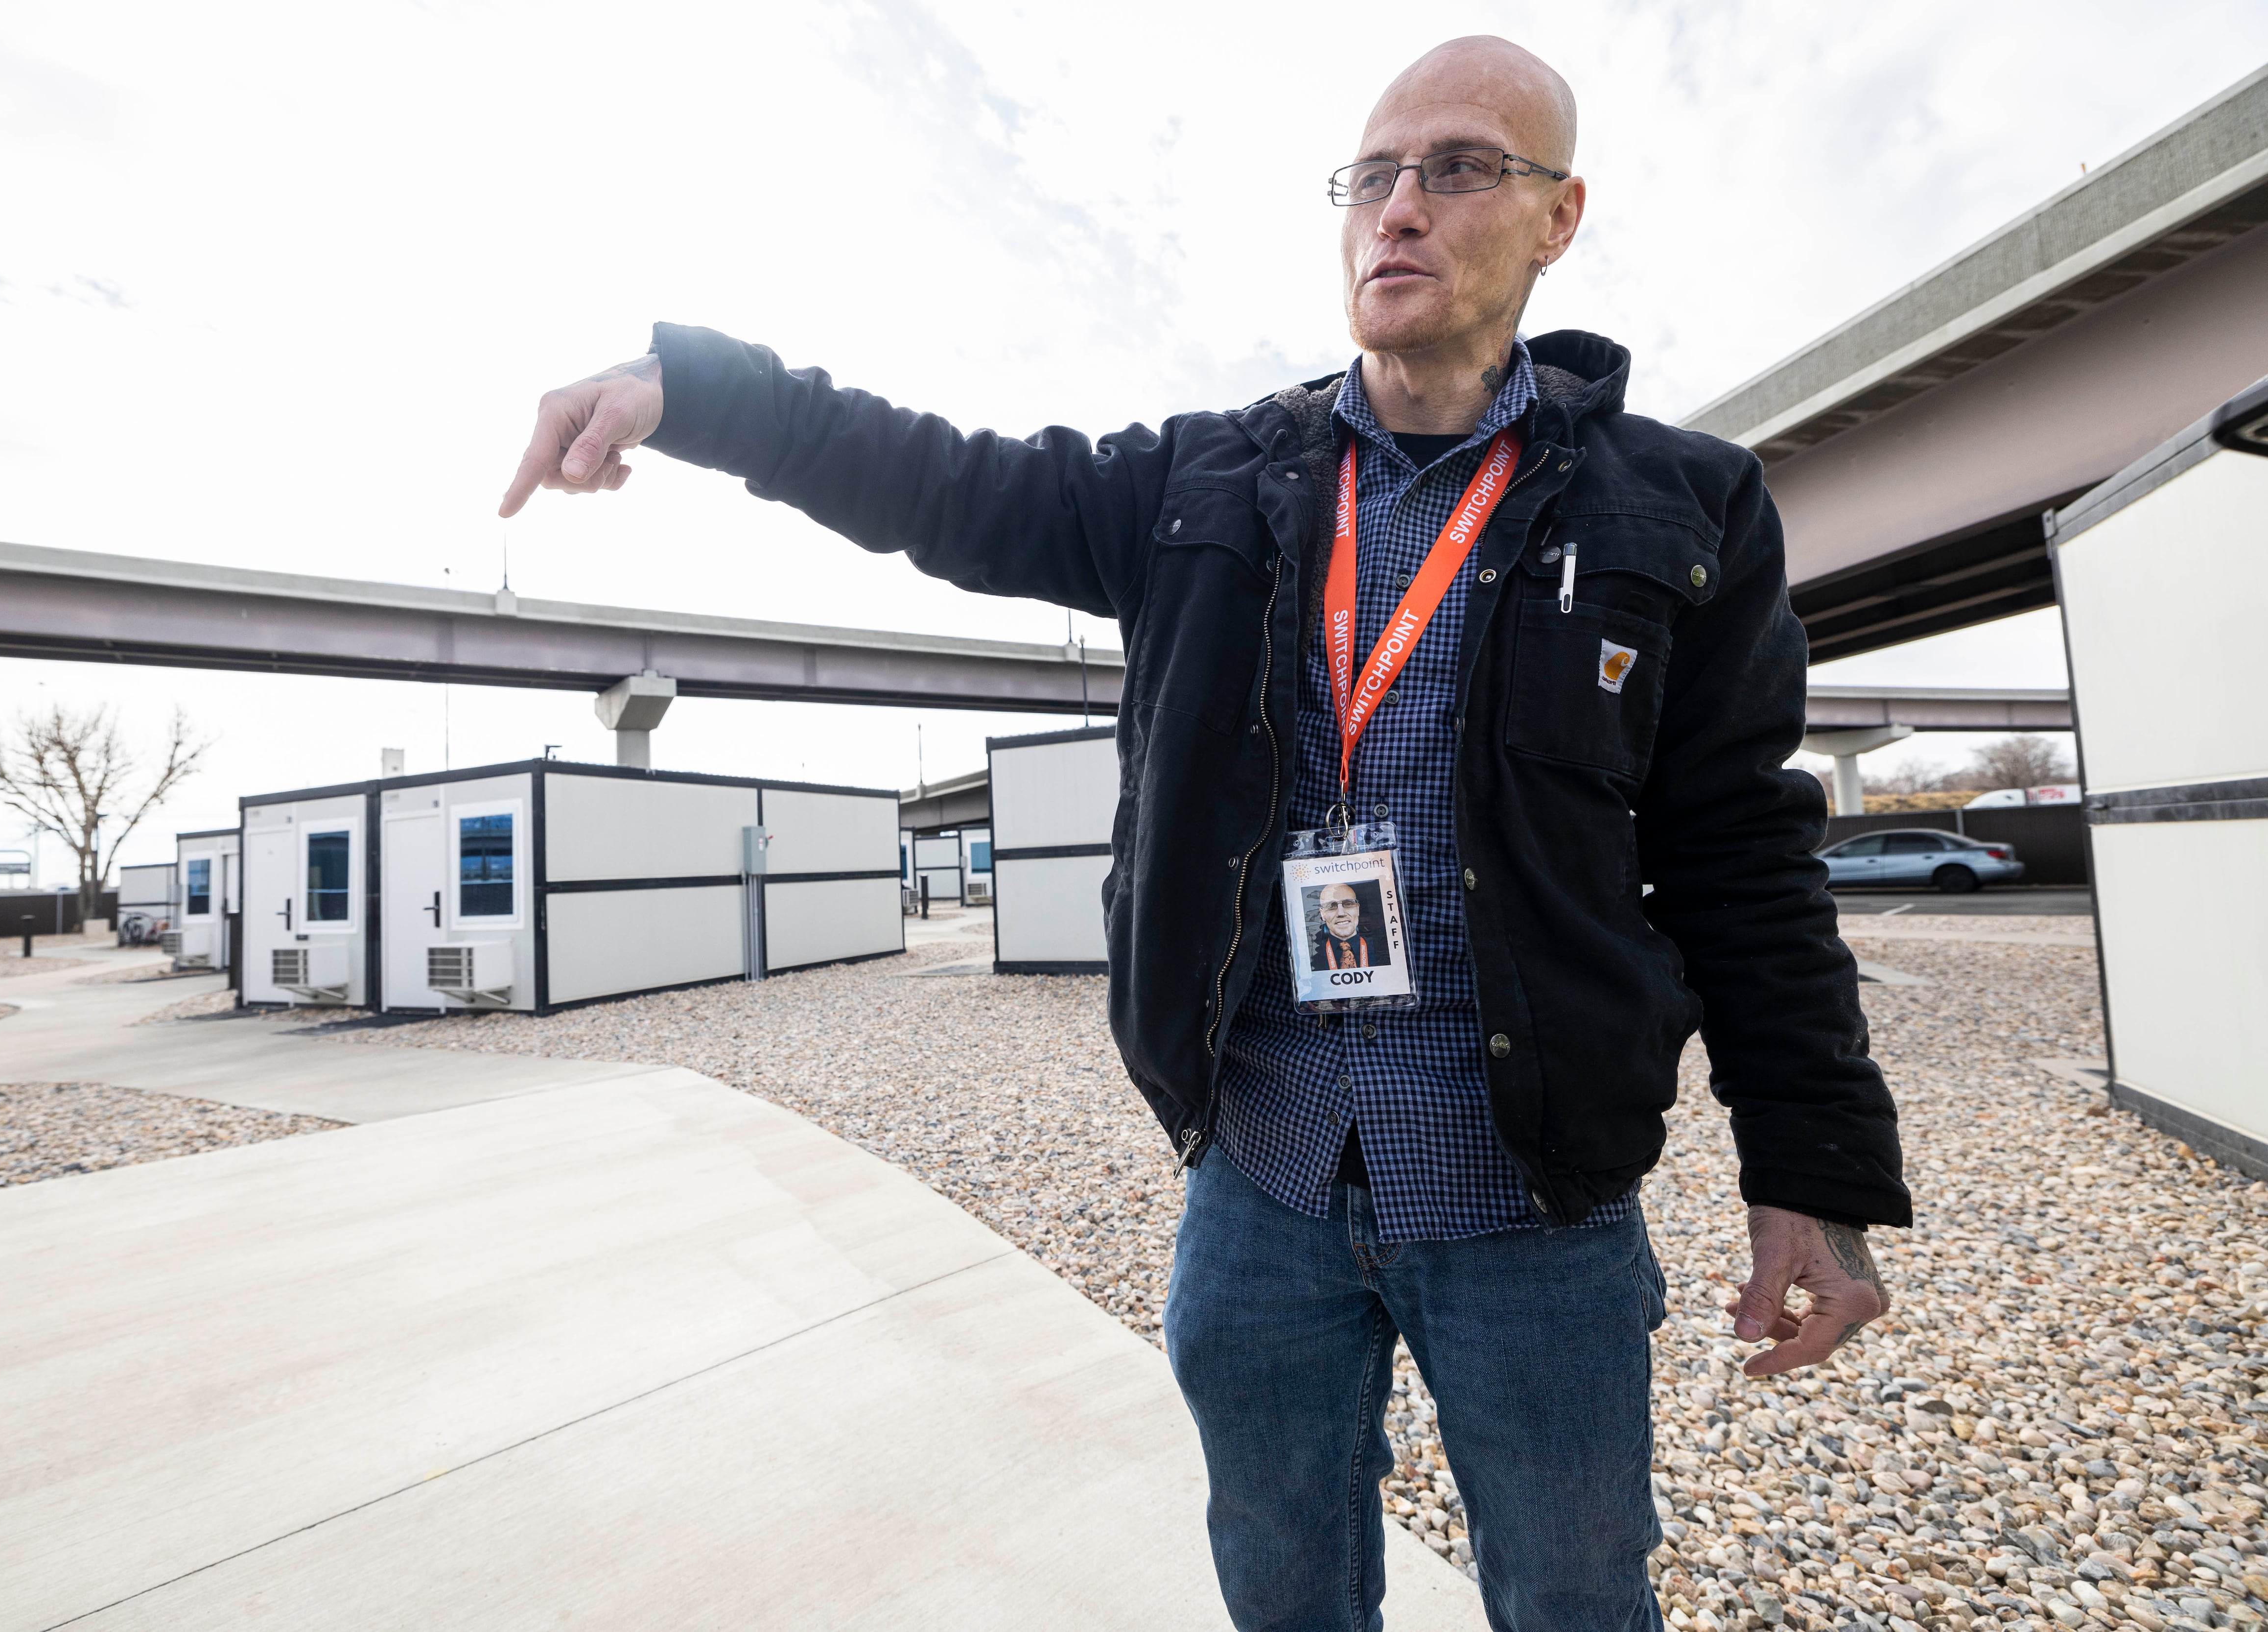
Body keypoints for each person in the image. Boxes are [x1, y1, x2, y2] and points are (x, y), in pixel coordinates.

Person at [498, 34, 1907, 1632]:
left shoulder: (1678, 506)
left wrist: (1815, 1172)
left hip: (1534, 1203)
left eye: (1455, 169)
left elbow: (1744, 855)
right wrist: (700, 394)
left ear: (1558, 215)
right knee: (1284, 1588)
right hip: (1265, 1189)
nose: (1400, 211)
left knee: (1577, 1595)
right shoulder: (1207, 484)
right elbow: (942, 480)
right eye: (1371, 177)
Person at [1312, 882, 1382, 970]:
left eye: (1348, 904)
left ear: (1358, 909)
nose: (1341, 913)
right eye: (1331, 906)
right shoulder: (1313, 955)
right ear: (1323, 914)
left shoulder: (1382, 950)